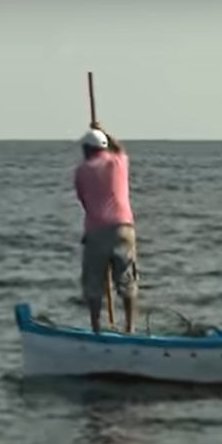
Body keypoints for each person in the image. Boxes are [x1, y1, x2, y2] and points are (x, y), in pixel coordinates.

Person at [74, 121, 139, 334]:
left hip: (97, 230)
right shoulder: (119, 161)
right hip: (124, 228)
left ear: (87, 149)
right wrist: (103, 131)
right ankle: (130, 327)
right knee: (126, 279)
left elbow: (84, 201)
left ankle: (96, 328)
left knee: (93, 282)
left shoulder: (82, 170)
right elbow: (119, 146)